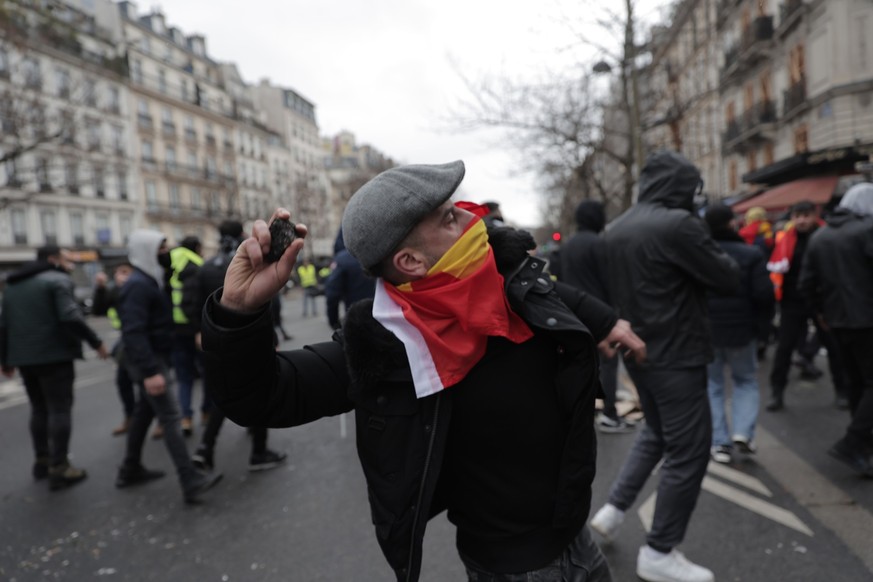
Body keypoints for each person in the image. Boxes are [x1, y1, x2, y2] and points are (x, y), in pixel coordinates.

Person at [201, 161, 647, 582]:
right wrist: (237, 313)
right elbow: (260, 394)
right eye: (449, 218)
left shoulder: (503, 275)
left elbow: (548, 290)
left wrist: (606, 321)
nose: (472, 221)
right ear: (410, 262)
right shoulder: (384, 343)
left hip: (576, 532)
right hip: (512, 563)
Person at [591, 151, 740, 582]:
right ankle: (659, 551)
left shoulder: (615, 228)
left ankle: (614, 510)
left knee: (656, 433)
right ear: (682, 187)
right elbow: (726, 276)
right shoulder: (679, 225)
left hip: (639, 352)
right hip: (678, 351)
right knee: (690, 448)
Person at [114, 230, 222, 504]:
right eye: (161, 249)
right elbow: (133, 331)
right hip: (147, 360)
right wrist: (151, 372)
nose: (167, 253)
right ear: (147, 251)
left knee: (143, 412)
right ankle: (190, 480)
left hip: (153, 356)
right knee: (171, 417)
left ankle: (129, 468)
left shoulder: (150, 280)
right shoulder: (138, 285)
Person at [0, 246, 109, 490]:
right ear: (52, 260)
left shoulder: (13, 285)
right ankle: (60, 468)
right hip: (54, 356)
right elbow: (70, 316)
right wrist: (96, 342)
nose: (70, 262)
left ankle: (42, 461)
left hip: (24, 358)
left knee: (39, 409)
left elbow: (4, 325)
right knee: (59, 409)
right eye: (65, 258)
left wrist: (5, 359)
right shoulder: (58, 280)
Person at [184, 220, 288, 473]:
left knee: (223, 392)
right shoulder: (249, 261)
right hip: (251, 336)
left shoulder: (207, 266)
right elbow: (267, 304)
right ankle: (259, 452)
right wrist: (272, 339)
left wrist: (200, 331)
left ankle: (206, 448)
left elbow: (194, 303)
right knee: (261, 388)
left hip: (217, 338)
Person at [799, 183, 873, 477]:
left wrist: (821, 314)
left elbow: (806, 284)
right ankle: (854, 441)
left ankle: (863, 444)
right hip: (867, 320)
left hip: (837, 322)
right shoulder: (867, 230)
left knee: (857, 382)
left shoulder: (821, 236)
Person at [702, 204, 774, 464]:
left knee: (713, 386)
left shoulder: (700, 255)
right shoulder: (750, 253)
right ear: (733, 223)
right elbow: (764, 295)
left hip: (708, 331)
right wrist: (764, 329)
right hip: (742, 330)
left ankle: (719, 442)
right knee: (745, 380)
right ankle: (743, 432)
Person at [765, 200, 848, 411]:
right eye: (797, 216)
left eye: (806, 215)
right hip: (792, 301)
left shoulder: (827, 236)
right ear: (792, 218)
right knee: (784, 349)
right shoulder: (783, 238)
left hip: (823, 302)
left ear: (814, 215)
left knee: (834, 348)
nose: (801, 220)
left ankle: (842, 390)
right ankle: (777, 392)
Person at [560, 199, 634, 433]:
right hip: (600, 314)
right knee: (609, 364)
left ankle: (585, 413)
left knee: (584, 366)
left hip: (575, 314)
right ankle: (610, 414)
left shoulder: (568, 245)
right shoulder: (600, 244)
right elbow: (611, 282)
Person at [92, 262, 137, 435]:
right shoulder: (117, 290)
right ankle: (130, 417)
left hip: (141, 340)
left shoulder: (139, 288)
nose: (120, 275)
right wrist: (101, 288)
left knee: (146, 384)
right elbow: (98, 309)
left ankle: (161, 421)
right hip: (126, 340)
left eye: (125, 272)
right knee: (123, 381)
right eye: (118, 272)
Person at [169, 236, 205, 436]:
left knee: (184, 378)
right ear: (197, 248)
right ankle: (207, 413)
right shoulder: (195, 266)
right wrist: (199, 329)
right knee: (206, 373)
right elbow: (190, 303)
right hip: (193, 330)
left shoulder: (169, 261)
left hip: (174, 329)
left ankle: (186, 417)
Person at [324, 228, 375, 330]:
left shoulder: (342, 259)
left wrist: (333, 322)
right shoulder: (379, 252)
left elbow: (332, 295)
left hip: (356, 319)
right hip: (384, 316)